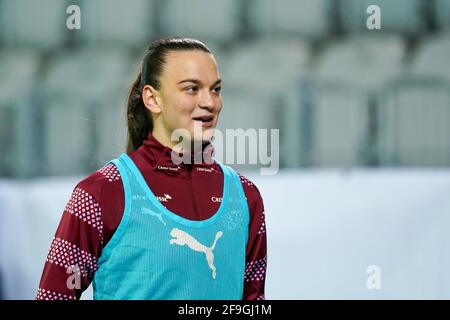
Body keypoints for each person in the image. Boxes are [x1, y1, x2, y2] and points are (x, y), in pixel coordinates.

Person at [36, 37, 267, 300]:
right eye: (192, 89)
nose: (210, 103)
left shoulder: (246, 197)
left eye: (215, 89)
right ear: (152, 99)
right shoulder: (100, 193)